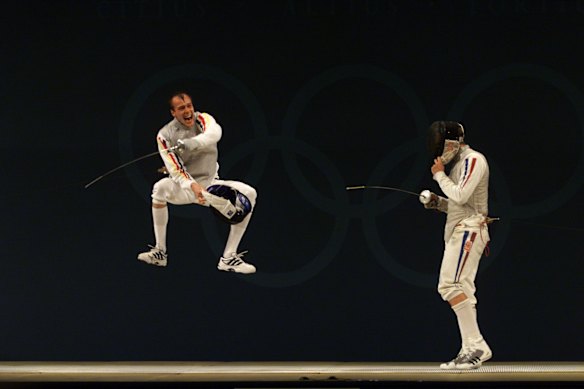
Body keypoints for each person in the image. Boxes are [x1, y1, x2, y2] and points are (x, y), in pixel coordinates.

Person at [137, 92, 258, 274]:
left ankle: (228, 257)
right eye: (181, 108)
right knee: (160, 188)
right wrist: (193, 186)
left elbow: (214, 134)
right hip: (185, 188)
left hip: (211, 187)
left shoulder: (203, 119)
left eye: (189, 106)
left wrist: (190, 144)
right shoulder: (164, 136)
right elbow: (176, 170)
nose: (187, 111)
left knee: (249, 193)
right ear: (173, 113)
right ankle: (160, 252)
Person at [422, 121, 492, 369]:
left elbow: (461, 196)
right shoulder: (459, 166)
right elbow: (457, 201)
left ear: (453, 142)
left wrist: (438, 175)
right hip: (461, 229)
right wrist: (437, 202)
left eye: (442, 145)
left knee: (450, 285)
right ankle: (469, 348)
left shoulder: (473, 160)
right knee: (461, 288)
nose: (440, 151)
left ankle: (477, 346)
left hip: (469, 229)